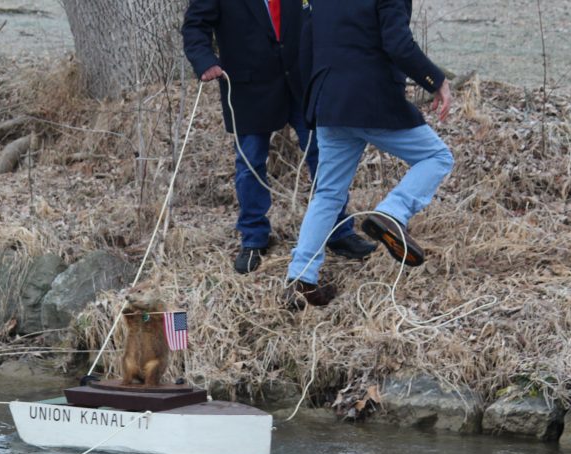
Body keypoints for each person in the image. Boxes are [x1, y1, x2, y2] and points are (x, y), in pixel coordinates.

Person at [181, 0, 377, 275]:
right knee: (249, 164)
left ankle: (338, 230)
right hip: (248, 88)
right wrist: (204, 61)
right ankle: (253, 238)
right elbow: (195, 26)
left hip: (302, 81)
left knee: (324, 156)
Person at [283, 0, 454, 308]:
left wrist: (314, 99)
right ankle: (392, 213)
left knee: (328, 194)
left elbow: (302, 49)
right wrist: (436, 80)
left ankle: (300, 279)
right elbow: (398, 44)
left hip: (329, 102)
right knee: (437, 157)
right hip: (371, 99)